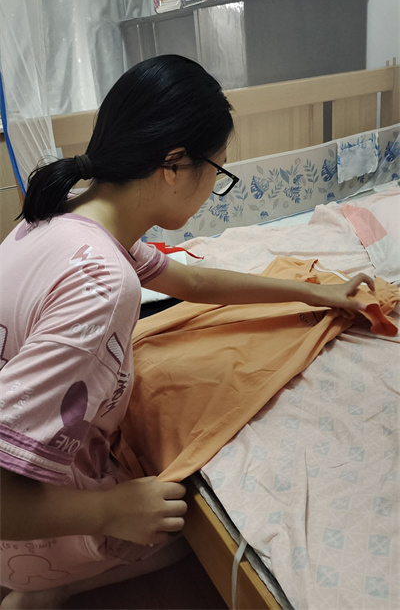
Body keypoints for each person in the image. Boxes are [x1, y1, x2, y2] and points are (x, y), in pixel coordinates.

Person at [0, 54, 374, 609]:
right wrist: (110, 510)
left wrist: (313, 292)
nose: (214, 185)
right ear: (174, 165)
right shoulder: (105, 284)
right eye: (218, 171)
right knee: (180, 538)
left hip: (33, 500)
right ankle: (42, 589)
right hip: (25, 523)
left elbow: (192, 280)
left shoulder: (63, 216)